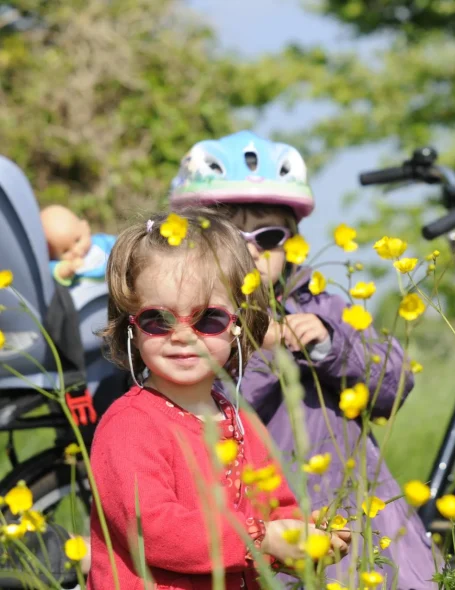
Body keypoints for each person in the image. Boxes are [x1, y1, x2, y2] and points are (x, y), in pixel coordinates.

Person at [170, 130, 439, 589]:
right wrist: (259, 348)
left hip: (352, 520)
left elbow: (393, 385)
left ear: (293, 241)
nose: (252, 248)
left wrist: (329, 347)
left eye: (269, 235)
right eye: (231, 235)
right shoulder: (181, 325)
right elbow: (208, 411)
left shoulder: (322, 304)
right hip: (259, 528)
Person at [88, 209, 350, 589]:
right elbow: (153, 530)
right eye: (158, 320)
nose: (182, 335)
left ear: (239, 325)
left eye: (208, 319)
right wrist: (259, 540)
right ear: (130, 327)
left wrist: (303, 535)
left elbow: (273, 507)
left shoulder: (235, 417)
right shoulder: (130, 424)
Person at [40, 204, 115, 286]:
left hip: (115, 283)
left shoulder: (101, 241)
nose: (76, 250)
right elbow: (53, 270)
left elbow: (120, 246)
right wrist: (68, 269)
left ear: (85, 227)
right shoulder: (64, 264)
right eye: (66, 250)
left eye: (77, 240)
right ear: (52, 255)